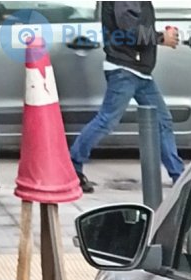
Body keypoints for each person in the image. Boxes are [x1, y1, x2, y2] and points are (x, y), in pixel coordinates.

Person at [70, 2, 183, 193]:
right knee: (107, 121)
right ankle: (72, 166)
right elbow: (129, 32)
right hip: (125, 70)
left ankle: (179, 176)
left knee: (162, 121)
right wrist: (162, 37)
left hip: (138, 72)